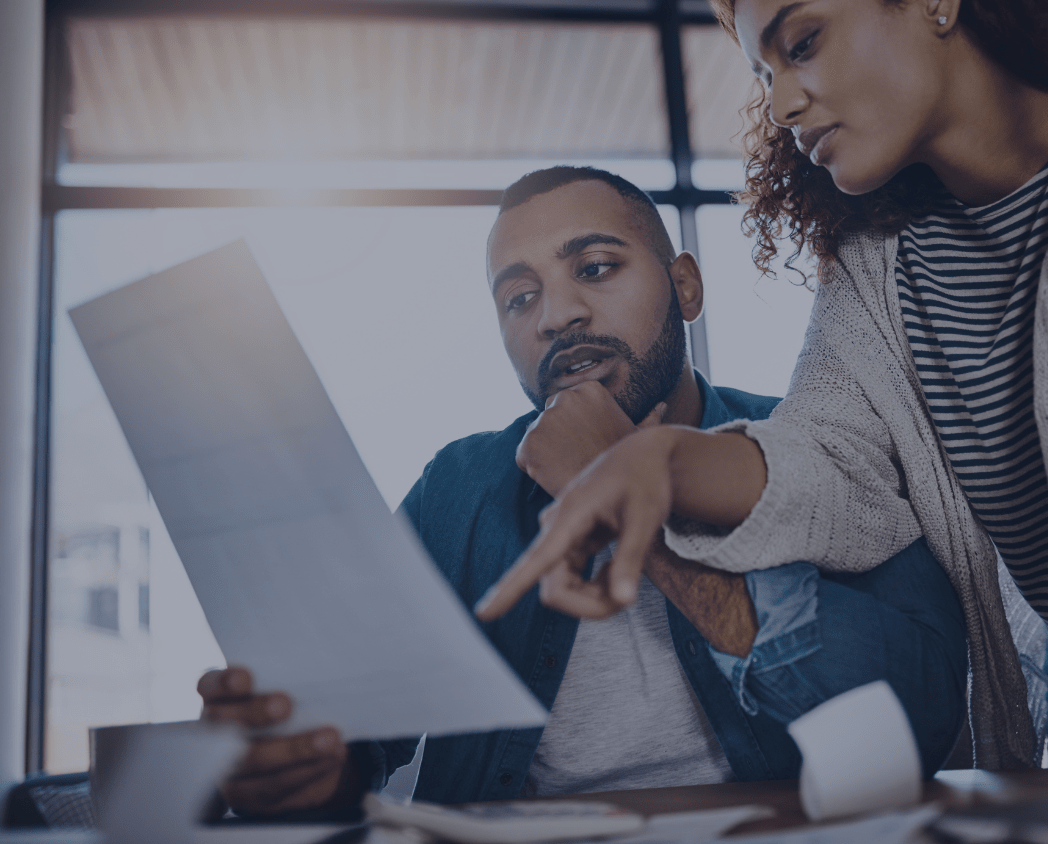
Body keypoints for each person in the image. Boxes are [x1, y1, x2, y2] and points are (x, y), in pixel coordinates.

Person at [479, 0, 1048, 771]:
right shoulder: (881, 264)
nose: (782, 103)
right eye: (762, 75)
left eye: (804, 43)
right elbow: (827, 457)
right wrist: (658, 461)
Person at [199, 166, 968, 815]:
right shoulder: (458, 489)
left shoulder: (816, 444)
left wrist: (638, 504)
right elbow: (355, 748)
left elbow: (918, 724)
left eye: (595, 268)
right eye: (518, 298)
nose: (556, 316)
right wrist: (296, 766)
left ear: (686, 288)